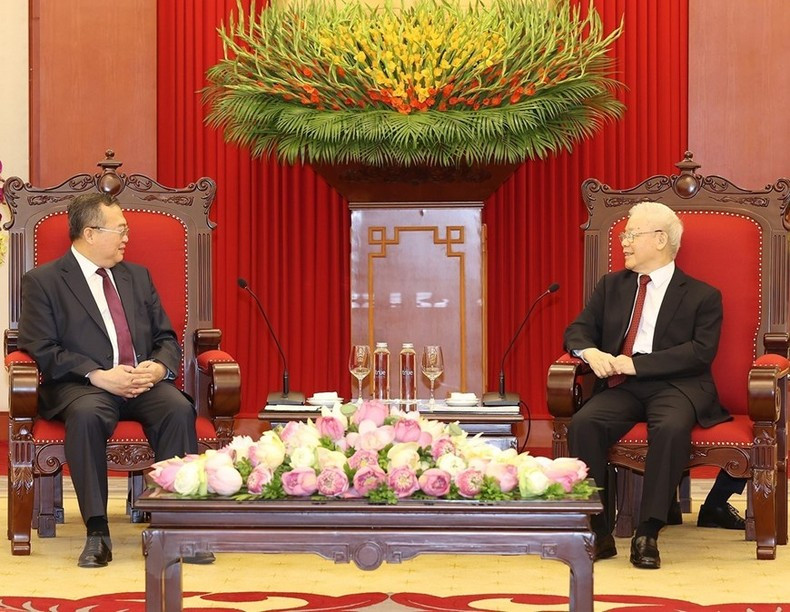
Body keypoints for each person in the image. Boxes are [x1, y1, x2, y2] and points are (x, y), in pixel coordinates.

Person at [18, 193, 201, 568]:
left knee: (178, 408)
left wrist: (159, 368)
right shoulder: (44, 281)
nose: (126, 238)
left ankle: (176, 527)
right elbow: (40, 346)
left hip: (139, 381)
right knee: (86, 416)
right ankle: (97, 532)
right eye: (120, 230)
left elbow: (166, 337)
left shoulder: (137, 276)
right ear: (89, 233)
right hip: (83, 386)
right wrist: (98, 375)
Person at [564, 201, 744, 570]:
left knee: (671, 427)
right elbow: (577, 329)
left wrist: (637, 363)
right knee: (585, 423)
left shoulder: (701, 295)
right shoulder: (611, 285)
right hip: (623, 386)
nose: (624, 242)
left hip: (677, 386)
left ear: (660, 239)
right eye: (624, 235)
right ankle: (598, 530)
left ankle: (649, 530)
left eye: (631, 234)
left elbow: (700, 352)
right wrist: (590, 351)